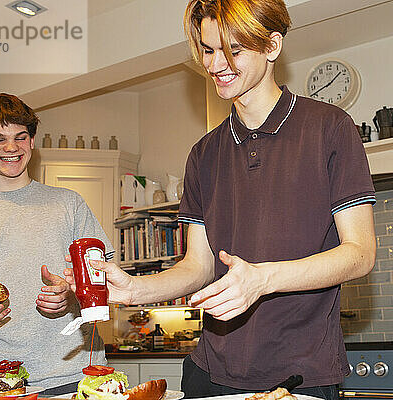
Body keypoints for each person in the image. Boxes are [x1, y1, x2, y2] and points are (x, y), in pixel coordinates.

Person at [65, 1, 376, 399]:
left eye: (234, 50)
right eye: (208, 51)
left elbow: (360, 253)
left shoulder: (330, 128)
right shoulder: (204, 153)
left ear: (272, 46)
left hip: (301, 374)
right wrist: (132, 290)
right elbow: (198, 265)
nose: (216, 65)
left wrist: (263, 279)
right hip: (209, 371)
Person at [0, 93, 113, 396]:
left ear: (31, 142)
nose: (11, 148)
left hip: (76, 377)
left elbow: (106, 280)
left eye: (21, 137)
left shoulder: (69, 204)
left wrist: (71, 297)